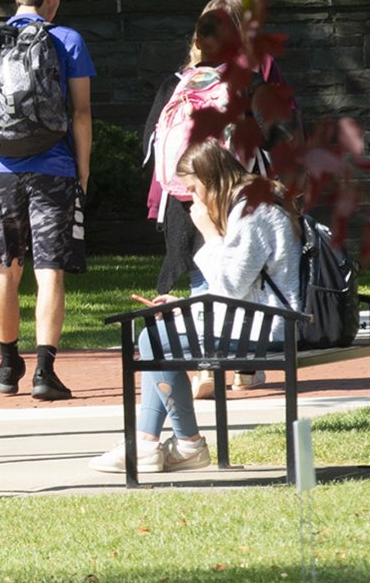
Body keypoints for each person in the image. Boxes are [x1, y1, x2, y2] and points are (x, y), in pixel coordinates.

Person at [92, 140, 298, 475]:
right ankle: (157, 443)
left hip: (271, 327)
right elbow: (239, 284)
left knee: (153, 339)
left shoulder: (252, 212)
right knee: (157, 334)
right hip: (263, 320)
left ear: (210, 179)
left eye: (193, 188)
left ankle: (179, 443)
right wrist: (186, 306)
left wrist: (209, 234)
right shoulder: (255, 204)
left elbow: (231, 285)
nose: (194, 199)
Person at [0, 0, 95, 403]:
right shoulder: (67, 40)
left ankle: (7, 364)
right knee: (50, 271)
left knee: (5, 268)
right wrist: (82, 170)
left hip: (1, 169)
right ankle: (46, 371)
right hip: (53, 168)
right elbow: (81, 113)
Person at [142, 7, 253, 299]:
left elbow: (149, 146)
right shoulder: (246, 83)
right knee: (242, 286)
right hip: (233, 200)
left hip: (184, 204)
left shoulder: (175, 84)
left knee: (202, 285)